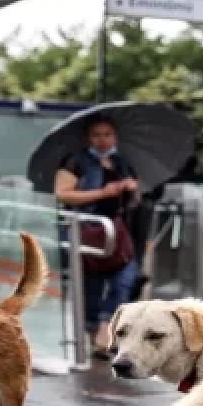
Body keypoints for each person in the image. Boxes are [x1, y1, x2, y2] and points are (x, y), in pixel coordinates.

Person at [54, 115, 139, 357]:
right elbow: (63, 194)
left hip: (116, 231)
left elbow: (134, 201)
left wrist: (132, 189)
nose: (102, 140)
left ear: (115, 137)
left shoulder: (122, 163)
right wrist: (102, 193)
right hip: (86, 229)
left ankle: (106, 328)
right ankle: (94, 335)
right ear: (87, 138)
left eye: (107, 135)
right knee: (91, 285)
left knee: (125, 279)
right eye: (96, 135)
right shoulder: (75, 161)